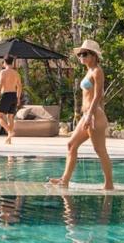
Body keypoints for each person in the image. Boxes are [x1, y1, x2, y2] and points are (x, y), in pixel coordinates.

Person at [49, 39, 114, 190]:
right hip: (87, 115)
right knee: (71, 144)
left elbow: (98, 95)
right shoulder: (89, 71)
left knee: (100, 150)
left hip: (94, 116)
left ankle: (109, 184)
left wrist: (90, 115)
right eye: (80, 54)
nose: (81, 57)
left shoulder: (97, 71)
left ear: (93, 55)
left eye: (84, 54)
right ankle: (64, 180)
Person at [0, 55, 23, 145]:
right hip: (14, 95)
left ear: (5, 62)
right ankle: (9, 139)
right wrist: (18, 98)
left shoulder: (3, 72)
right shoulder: (16, 73)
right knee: (10, 117)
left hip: (6, 95)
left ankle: (10, 131)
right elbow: (19, 86)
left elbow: (0, 84)